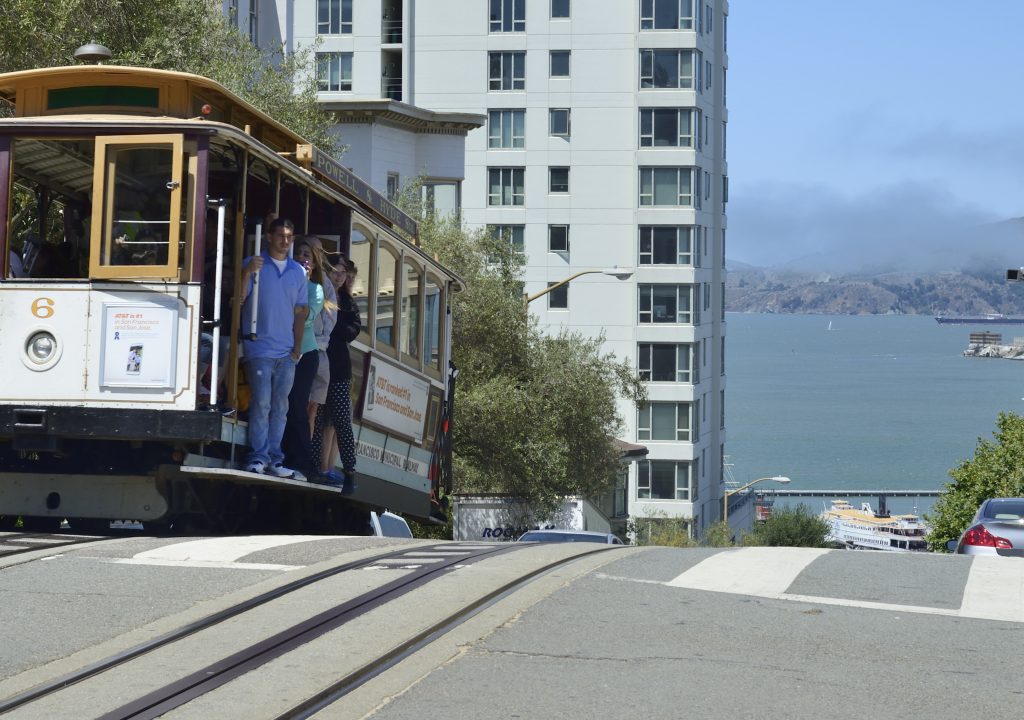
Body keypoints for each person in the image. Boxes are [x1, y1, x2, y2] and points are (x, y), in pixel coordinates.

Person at [240, 217, 308, 478]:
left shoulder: (297, 272)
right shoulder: (253, 264)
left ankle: (275, 458)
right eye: (280, 235)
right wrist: (247, 272)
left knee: (281, 407)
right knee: (262, 403)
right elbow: (240, 297)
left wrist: (297, 348)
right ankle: (258, 456)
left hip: (286, 351)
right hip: (259, 347)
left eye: (289, 236)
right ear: (269, 237)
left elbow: (300, 311)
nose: (285, 240)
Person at [311, 256, 360, 491]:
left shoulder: (348, 301)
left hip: (340, 369)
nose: (339, 276)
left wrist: (336, 329)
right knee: (318, 416)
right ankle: (318, 467)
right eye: (336, 271)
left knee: (340, 420)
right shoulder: (322, 293)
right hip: (320, 360)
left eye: (343, 273)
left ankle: (348, 469)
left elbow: (352, 329)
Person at [281, 239, 327, 479]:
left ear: (313, 262)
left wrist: (301, 285)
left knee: (297, 405)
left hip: (306, 353)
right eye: (297, 253)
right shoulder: (285, 282)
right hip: (282, 349)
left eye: (306, 254)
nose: (301, 257)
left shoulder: (315, 289)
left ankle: (302, 461)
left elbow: (306, 317)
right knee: (281, 403)